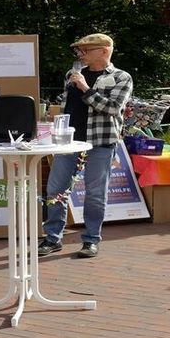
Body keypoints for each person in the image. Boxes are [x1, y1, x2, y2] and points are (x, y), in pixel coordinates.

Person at [38, 33, 133, 258]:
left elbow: (112, 108)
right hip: (69, 142)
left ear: (104, 51)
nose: (81, 55)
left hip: (101, 142)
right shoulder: (71, 74)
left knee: (95, 194)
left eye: (86, 50)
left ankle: (91, 240)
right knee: (55, 190)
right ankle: (53, 238)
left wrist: (84, 87)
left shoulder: (121, 77)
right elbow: (67, 105)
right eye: (79, 51)